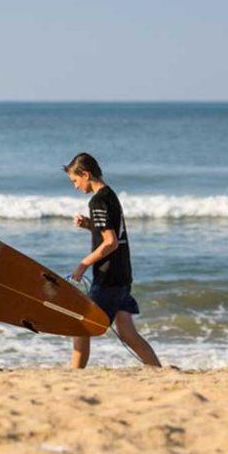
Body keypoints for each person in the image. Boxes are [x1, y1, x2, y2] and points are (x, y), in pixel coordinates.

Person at [64, 153, 160, 368]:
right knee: (127, 332)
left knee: (80, 325)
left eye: (75, 181)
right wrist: (90, 225)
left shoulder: (97, 200)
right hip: (123, 273)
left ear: (85, 174)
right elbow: (115, 234)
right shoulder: (110, 195)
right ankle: (157, 370)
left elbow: (110, 242)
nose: (75, 186)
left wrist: (83, 264)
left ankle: (74, 374)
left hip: (109, 276)